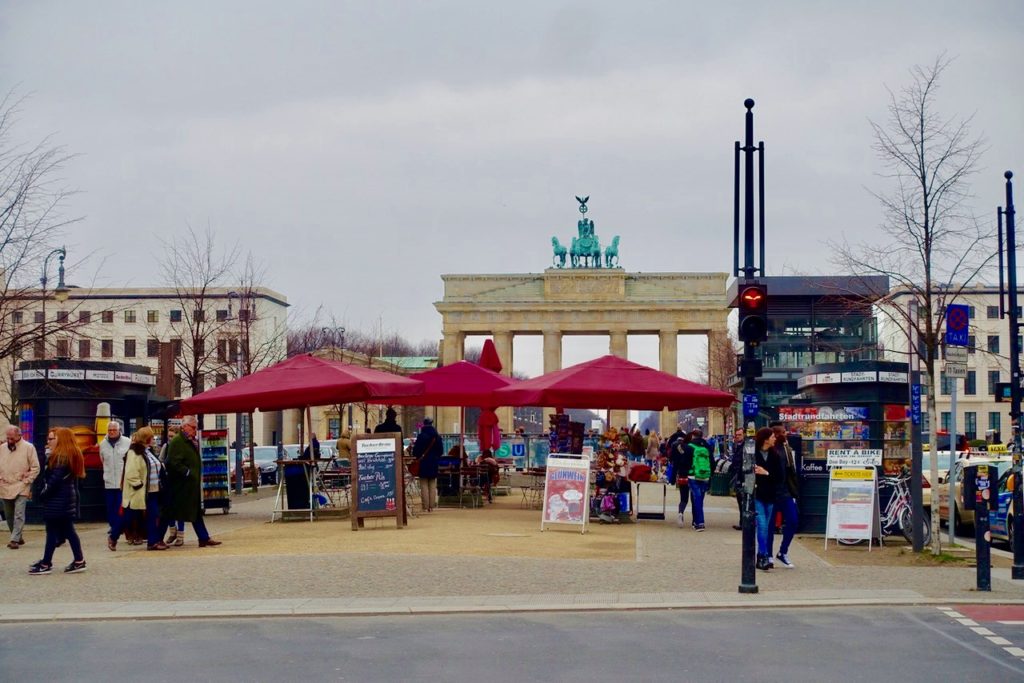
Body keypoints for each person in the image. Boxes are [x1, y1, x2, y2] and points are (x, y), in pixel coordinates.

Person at [29, 428, 87, 574]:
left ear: (60, 440)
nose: (48, 442)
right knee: (67, 531)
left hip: (58, 500)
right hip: (63, 499)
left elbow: (53, 481)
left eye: (51, 439)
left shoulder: (61, 458)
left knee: (53, 531)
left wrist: (42, 494)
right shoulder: (66, 456)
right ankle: (77, 560)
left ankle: (46, 564)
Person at [162, 415, 222, 548]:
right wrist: (187, 472)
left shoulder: (190, 440)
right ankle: (156, 539)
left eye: (196, 428)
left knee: (195, 512)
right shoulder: (178, 441)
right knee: (170, 512)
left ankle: (203, 538)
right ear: (185, 427)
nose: (195, 430)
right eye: (193, 428)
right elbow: (173, 462)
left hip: (190, 485)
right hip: (181, 485)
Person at [110, 427, 168, 552]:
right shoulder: (134, 452)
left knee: (153, 515)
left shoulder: (148, 451)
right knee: (128, 516)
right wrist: (139, 484)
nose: (154, 439)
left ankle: (152, 542)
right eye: (151, 437)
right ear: (146, 439)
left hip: (152, 490)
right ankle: (113, 536)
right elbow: (131, 472)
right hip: (138, 491)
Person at [1, 425, 40, 550]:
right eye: (8, 438)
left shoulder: (29, 447)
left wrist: (28, 480)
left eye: (12, 438)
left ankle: (14, 539)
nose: (10, 441)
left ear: (19, 436)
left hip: (22, 485)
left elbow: (35, 467)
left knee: (19, 513)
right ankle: (17, 535)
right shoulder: (2, 448)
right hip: (5, 484)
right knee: (9, 514)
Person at [769, 424, 799, 569]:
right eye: (781, 432)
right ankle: (767, 554)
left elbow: (790, 471)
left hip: (785, 492)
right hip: (771, 493)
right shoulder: (769, 450)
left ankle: (782, 552)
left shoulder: (787, 450)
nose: (785, 433)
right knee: (769, 526)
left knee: (793, 521)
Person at [753, 427, 782, 571]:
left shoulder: (775, 456)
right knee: (762, 526)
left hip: (770, 496)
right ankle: (762, 556)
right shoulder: (753, 455)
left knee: (766, 527)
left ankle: (762, 555)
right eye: (772, 437)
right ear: (765, 439)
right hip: (757, 495)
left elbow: (779, 477)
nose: (774, 439)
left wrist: (765, 472)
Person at [99, 420, 131, 539]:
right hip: (109, 481)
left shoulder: (127, 442)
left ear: (119, 430)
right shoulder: (103, 444)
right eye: (110, 430)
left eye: (114, 430)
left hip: (122, 482)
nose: (112, 432)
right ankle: (114, 527)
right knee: (110, 507)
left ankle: (119, 528)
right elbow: (102, 460)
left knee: (120, 507)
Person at [160, 426, 186, 546]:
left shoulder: (182, 447)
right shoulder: (166, 446)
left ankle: (180, 535)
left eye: (172, 436)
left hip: (180, 481)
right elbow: (161, 460)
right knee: (169, 508)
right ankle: (172, 531)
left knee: (180, 509)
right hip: (168, 481)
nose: (170, 439)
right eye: (169, 436)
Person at [411, 418, 442, 512]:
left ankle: (425, 506)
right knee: (432, 484)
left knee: (423, 484)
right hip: (433, 462)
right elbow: (440, 451)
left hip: (423, 462)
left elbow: (415, 451)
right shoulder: (437, 436)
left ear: (424, 425)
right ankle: (431, 506)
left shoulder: (421, 436)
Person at [685, 429, 713, 531]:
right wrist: (711, 475)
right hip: (705, 476)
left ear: (693, 436)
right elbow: (712, 462)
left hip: (693, 476)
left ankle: (699, 523)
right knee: (700, 499)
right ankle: (695, 521)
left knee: (696, 499)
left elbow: (686, 462)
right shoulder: (707, 446)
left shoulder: (689, 446)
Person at [669, 432, 692, 528]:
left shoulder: (676, 447)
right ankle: (697, 521)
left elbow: (674, 462)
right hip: (695, 475)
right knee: (696, 500)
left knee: (684, 498)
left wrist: (673, 478)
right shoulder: (692, 449)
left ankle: (681, 512)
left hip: (682, 475)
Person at [728, 428, 745, 530]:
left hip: (742, 476)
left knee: (742, 500)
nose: (737, 437)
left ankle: (744, 523)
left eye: (739, 435)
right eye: (736, 435)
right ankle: (742, 522)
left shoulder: (745, 447)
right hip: (738, 475)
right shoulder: (738, 446)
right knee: (740, 500)